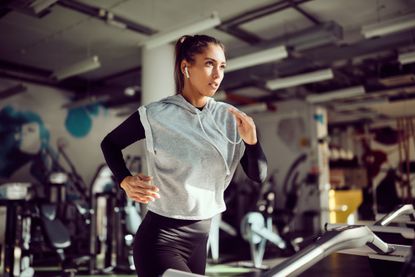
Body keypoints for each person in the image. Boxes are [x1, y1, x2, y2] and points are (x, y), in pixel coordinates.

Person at [101, 34, 268, 276]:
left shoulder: (229, 117)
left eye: (222, 66)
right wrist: (124, 180)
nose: (217, 74)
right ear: (186, 67)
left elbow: (258, 175)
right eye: (209, 64)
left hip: (200, 241)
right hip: (160, 241)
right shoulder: (156, 114)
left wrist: (252, 142)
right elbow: (110, 143)